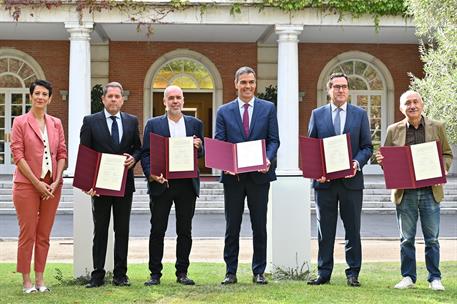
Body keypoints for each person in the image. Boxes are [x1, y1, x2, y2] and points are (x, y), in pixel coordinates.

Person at [376, 90, 452, 291]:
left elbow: (447, 153)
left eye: (415, 102)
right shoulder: (393, 130)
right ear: (402, 108)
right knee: (406, 238)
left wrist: (444, 167)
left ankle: (434, 278)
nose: (412, 106)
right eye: (407, 103)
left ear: (422, 104)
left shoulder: (438, 127)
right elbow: (387, 160)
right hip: (405, 191)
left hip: (430, 190)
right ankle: (408, 277)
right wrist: (383, 162)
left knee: (432, 238)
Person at [215, 66, 280, 285]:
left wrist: (268, 159)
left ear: (255, 84)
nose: (248, 86)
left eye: (251, 82)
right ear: (236, 84)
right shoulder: (224, 111)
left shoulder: (268, 108)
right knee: (232, 226)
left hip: (259, 177)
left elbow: (274, 140)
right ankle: (230, 271)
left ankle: (258, 271)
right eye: (243, 82)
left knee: (259, 225)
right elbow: (220, 142)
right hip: (233, 178)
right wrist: (226, 163)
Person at [307, 73, 373, 287]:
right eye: (337, 87)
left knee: (352, 229)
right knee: (324, 230)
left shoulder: (360, 115)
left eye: (344, 87)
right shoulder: (317, 115)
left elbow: (367, 147)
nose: (341, 90)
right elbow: (311, 149)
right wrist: (318, 171)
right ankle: (323, 273)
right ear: (329, 90)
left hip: (351, 182)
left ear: (348, 90)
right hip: (325, 183)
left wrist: (356, 163)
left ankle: (353, 272)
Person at [80, 81, 142, 288]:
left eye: (117, 96)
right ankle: (97, 276)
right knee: (101, 230)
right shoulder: (90, 121)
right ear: (103, 99)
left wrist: (133, 159)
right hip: (100, 186)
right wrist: (87, 183)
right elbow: (85, 154)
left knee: (122, 230)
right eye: (110, 96)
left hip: (125, 184)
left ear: (122, 99)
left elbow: (138, 149)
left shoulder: (132, 121)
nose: (114, 99)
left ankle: (120, 275)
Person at [141, 85, 204, 286]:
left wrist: (199, 146)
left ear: (183, 101)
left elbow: (201, 153)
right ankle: (155, 274)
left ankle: (182, 273)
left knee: (185, 230)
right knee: (157, 230)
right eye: (171, 98)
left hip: (187, 185)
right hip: (162, 184)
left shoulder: (195, 124)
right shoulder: (153, 124)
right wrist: (151, 174)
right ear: (164, 102)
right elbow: (145, 153)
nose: (175, 101)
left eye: (178, 98)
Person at [11, 80, 67, 293]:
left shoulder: (56, 123)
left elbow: (62, 152)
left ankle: (40, 280)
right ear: (30, 96)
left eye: (45, 94)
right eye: (37, 93)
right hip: (26, 185)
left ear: (50, 98)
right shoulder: (20, 122)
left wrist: (55, 180)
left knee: (44, 235)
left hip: (52, 186)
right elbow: (18, 155)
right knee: (28, 234)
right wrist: (37, 182)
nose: (40, 97)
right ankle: (26, 281)